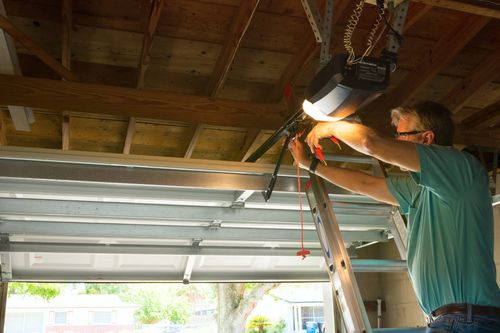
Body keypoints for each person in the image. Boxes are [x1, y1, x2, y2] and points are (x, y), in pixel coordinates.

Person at [288, 100, 500, 332]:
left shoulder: (460, 170)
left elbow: (372, 143)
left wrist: (330, 126)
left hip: (466, 320)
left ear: (427, 138)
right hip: (453, 320)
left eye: (402, 135)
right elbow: (365, 184)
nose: (397, 141)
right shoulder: (419, 187)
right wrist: (311, 165)